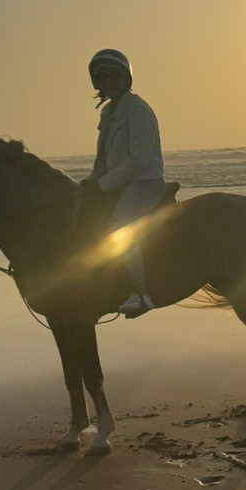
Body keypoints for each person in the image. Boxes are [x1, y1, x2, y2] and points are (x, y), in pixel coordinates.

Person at [81, 48, 166, 318]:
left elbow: (137, 162)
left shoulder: (139, 110)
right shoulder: (108, 113)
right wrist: (90, 183)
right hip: (115, 184)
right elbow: (103, 160)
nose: (108, 81)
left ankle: (140, 294)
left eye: (113, 76)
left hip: (144, 184)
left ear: (125, 78)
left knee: (120, 228)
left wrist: (103, 185)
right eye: (102, 77)